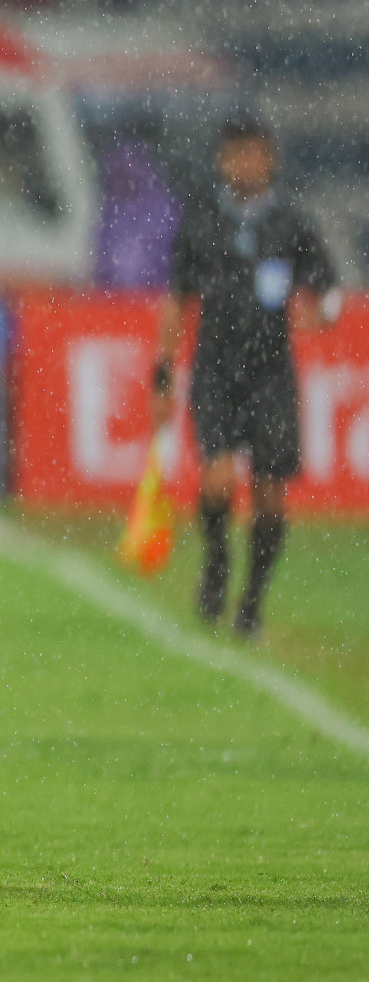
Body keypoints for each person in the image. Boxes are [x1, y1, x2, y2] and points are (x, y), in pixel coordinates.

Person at [152, 114, 335, 638]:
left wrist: (317, 314)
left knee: (272, 492)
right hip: (216, 366)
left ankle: (252, 600)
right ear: (222, 160)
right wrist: (162, 375)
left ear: (269, 158)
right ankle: (215, 562)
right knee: (218, 479)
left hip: (271, 371)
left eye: (256, 153)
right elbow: (176, 301)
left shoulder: (293, 225)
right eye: (237, 154)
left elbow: (328, 293)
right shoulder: (202, 219)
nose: (247, 164)